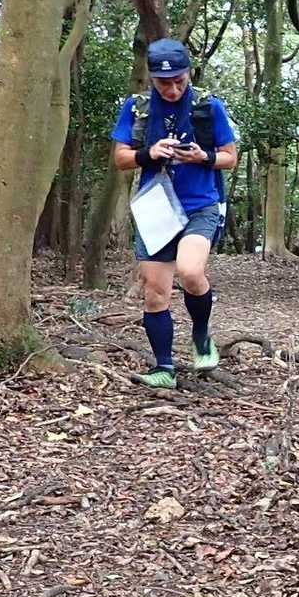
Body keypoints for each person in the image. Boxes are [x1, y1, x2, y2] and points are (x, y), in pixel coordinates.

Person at [111, 38, 240, 388]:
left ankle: (201, 336)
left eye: (178, 81)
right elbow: (121, 157)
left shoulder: (208, 106)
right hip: (156, 207)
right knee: (155, 291)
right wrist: (149, 153)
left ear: (188, 73)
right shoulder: (137, 107)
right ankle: (164, 369)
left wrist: (203, 157)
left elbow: (230, 157)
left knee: (190, 271)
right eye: (163, 83)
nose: (172, 89)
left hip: (200, 204)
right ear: (152, 79)